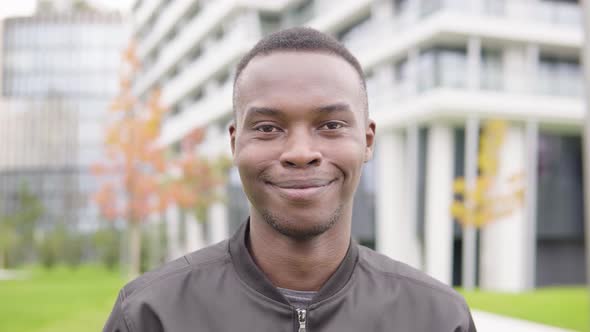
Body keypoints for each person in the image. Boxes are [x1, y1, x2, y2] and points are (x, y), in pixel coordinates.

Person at [103, 27, 477, 332]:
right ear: (235, 144)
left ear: (366, 141)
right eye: (268, 128)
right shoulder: (150, 316)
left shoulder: (438, 319)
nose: (300, 152)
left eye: (330, 125)